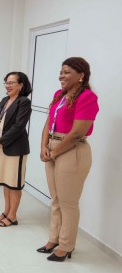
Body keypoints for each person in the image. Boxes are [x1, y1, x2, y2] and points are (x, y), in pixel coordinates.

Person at [37, 57, 99, 262]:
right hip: (53, 147)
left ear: (81, 75)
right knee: (55, 199)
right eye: (61, 72)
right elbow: (48, 122)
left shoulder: (87, 97)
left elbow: (76, 133)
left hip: (72, 150)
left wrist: (54, 152)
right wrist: (43, 146)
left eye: (66, 72)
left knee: (68, 202)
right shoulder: (59, 95)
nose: (61, 76)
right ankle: (54, 239)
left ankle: (66, 245)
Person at [0, 72, 32, 227]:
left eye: (11, 82)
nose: (8, 85)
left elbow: (19, 127)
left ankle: (13, 216)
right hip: (1, 146)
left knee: (14, 183)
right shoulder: (4, 100)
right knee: (6, 182)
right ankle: (6, 211)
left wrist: (0, 140)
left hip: (16, 148)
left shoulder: (24, 102)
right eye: (6, 82)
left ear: (21, 85)